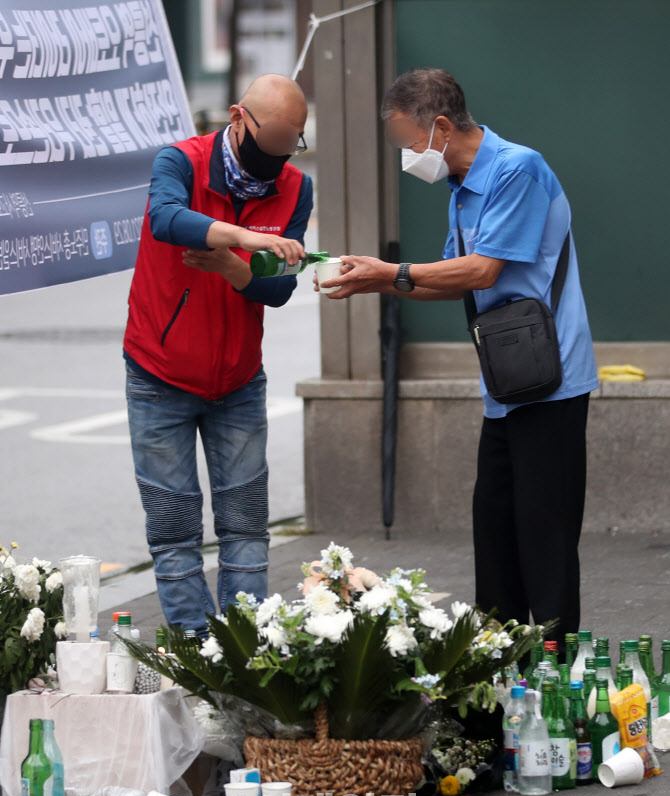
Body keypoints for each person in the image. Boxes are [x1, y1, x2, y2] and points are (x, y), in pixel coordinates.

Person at [322, 68, 598, 650]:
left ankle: (556, 678)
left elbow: (483, 270)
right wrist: (374, 282)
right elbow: (450, 281)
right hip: (505, 385)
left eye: (407, 142)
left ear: (441, 127)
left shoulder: (517, 168)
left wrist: (390, 272)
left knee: (544, 540)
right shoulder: (461, 186)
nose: (407, 155)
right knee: (495, 533)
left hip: (551, 382)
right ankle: (495, 677)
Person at [123, 74, 313, 637]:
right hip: (160, 375)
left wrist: (236, 270)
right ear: (237, 118)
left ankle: (245, 649)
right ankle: (196, 653)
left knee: (246, 527)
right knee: (174, 528)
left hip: (238, 381)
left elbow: (279, 289)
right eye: (266, 145)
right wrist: (245, 239)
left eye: (288, 147)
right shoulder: (179, 162)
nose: (273, 162)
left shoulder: (296, 187)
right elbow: (165, 219)